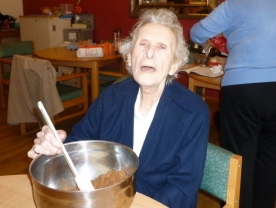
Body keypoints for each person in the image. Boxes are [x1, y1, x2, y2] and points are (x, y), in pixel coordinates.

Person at [28, 8, 210, 207]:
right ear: (131, 57)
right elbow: (77, 149)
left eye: (161, 47)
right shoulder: (112, 97)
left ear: (174, 65)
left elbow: (182, 189)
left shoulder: (192, 112)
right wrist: (54, 147)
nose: (149, 53)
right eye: (143, 44)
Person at [190, 0, 276, 207]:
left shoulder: (234, 4)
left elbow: (197, 34)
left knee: (240, 157)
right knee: (271, 154)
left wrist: (227, 30)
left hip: (245, 88)